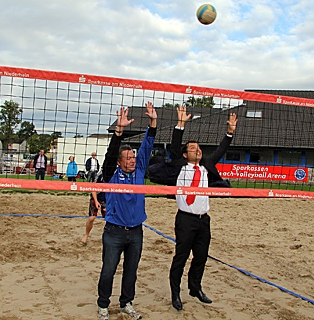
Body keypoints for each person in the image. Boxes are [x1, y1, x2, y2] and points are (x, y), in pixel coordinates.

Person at [168, 106, 237, 311]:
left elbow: (220, 150)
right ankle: (175, 293)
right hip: (185, 219)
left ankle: (195, 288)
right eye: (192, 148)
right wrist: (180, 125)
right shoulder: (180, 165)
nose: (196, 149)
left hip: (203, 219)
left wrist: (229, 133)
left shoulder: (206, 165)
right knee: (181, 257)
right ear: (184, 154)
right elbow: (173, 147)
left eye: (198, 147)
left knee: (201, 256)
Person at [97, 102, 157, 320]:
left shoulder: (139, 169)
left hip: (136, 231)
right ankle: (103, 305)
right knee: (108, 270)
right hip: (114, 231)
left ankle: (126, 304)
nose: (133, 160)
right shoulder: (111, 174)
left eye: (133, 157)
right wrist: (118, 132)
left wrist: (153, 123)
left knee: (131, 272)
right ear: (120, 162)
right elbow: (110, 156)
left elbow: (147, 146)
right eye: (129, 158)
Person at [81, 172, 106, 245]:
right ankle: (86, 235)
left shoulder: (116, 174)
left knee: (110, 219)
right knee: (91, 218)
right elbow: (93, 188)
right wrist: (96, 201)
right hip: (96, 198)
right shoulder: (100, 175)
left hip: (107, 199)